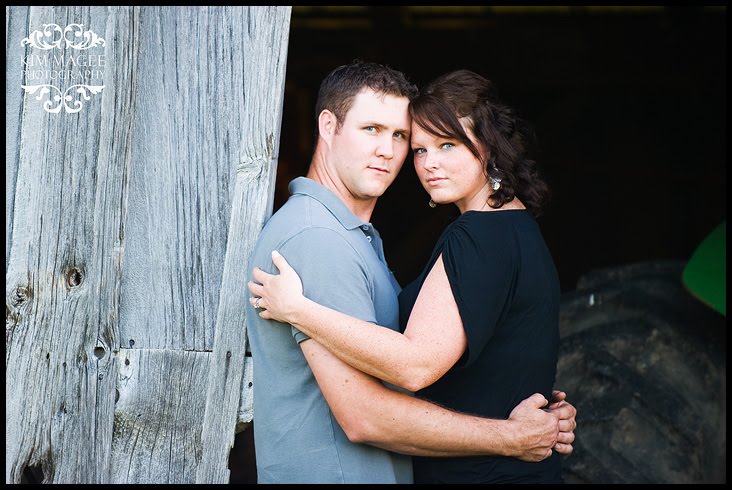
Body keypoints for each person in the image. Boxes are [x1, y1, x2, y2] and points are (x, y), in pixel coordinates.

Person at [245, 62, 576, 484]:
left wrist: (298, 310)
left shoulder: (479, 235)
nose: (417, 159)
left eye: (402, 137)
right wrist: (515, 433)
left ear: (489, 146)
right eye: (420, 148)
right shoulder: (317, 237)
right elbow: (367, 413)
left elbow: (417, 364)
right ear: (328, 126)